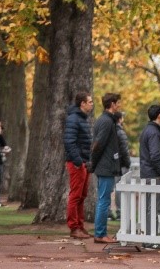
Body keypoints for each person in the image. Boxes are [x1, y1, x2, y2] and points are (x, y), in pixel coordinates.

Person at [90, 92, 127, 244]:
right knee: (104, 201)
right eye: (118, 103)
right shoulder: (106, 121)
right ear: (112, 104)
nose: (119, 105)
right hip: (105, 167)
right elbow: (98, 144)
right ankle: (100, 234)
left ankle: (101, 233)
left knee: (103, 200)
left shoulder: (105, 120)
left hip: (105, 166)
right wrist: (94, 164)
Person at [138, 105, 160, 249]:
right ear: (159, 115)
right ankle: (151, 240)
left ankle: (148, 238)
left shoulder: (147, 130)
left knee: (148, 208)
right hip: (153, 174)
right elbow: (155, 155)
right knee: (153, 208)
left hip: (147, 173)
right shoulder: (154, 133)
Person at [64, 92, 94, 240]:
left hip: (84, 162)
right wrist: (78, 162)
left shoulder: (83, 119)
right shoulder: (73, 119)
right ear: (82, 103)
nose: (92, 104)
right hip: (77, 163)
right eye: (89, 102)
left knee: (82, 196)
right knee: (75, 195)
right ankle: (74, 227)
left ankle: (80, 227)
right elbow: (69, 142)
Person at [0, 119, 9, 207]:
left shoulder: (0, 137)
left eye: (0, 127)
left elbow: (6, 146)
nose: (0, 128)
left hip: (0, 162)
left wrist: (5, 149)